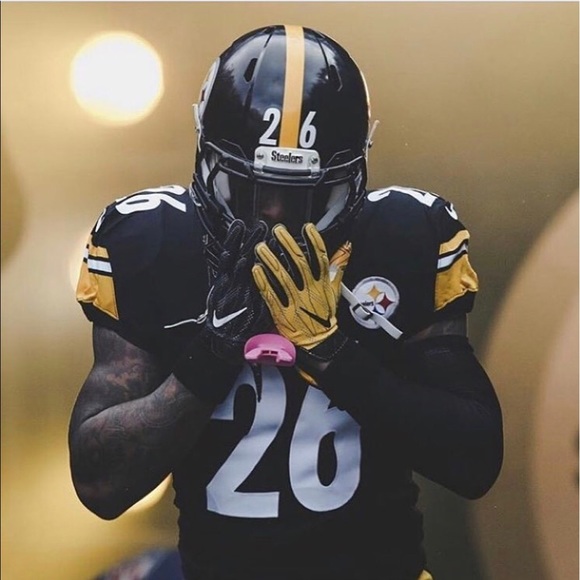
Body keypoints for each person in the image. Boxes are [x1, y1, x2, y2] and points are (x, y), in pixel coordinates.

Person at [68, 24, 503, 580]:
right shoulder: (152, 242)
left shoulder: (402, 236)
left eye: (305, 194)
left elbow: (474, 461)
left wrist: (334, 355)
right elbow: (100, 483)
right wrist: (211, 354)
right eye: (252, 189)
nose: (274, 214)